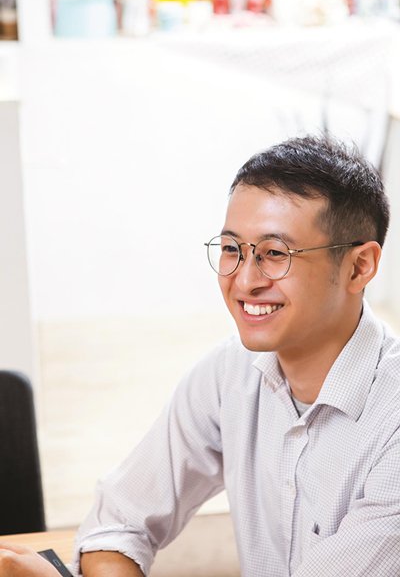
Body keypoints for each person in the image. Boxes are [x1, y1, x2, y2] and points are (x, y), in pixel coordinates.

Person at [74, 134, 400, 577]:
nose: (244, 282)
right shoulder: (229, 373)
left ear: (359, 267)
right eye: (232, 249)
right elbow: (116, 523)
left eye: (274, 254)